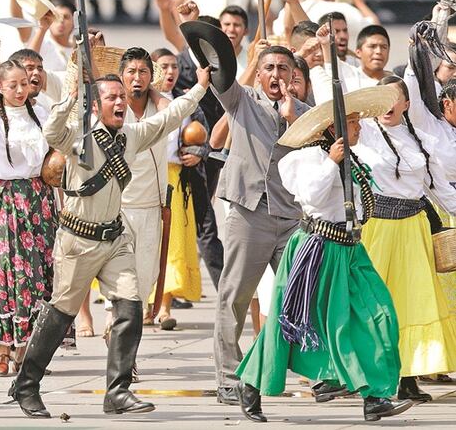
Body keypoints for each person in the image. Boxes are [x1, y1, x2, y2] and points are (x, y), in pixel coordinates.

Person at [10, 62, 210, 418]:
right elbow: (53, 132)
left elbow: (168, 119)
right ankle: (26, 385)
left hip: (114, 239)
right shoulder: (80, 137)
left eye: (122, 97)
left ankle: (118, 391)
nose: (120, 102)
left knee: (130, 308)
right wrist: (72, 98)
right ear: (96, 104)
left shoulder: (130, 135)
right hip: (78, 240)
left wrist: (199, 88)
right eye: (111, 97)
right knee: (60, 315)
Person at [236, 87, 413, 423]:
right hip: (316, 252)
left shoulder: (354, 159)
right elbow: (311, 198)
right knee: (288, 323)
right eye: (352, 122)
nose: (359, 126)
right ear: (334, 128)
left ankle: (375, 395)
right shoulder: (306, 159)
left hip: (350, 251)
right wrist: (332, 162)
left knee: (378, 315)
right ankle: (250, 384)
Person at [208, 43, 310, 405]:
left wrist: (293, 118)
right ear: (260, 73)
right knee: (234, 296)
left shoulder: (306, 114)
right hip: (249, 211)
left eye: (283, 68)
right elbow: (221, 76)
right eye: (270, 68)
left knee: (302, 296)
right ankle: (228, 377)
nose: (276, 75)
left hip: (291, 216)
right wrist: (251, 59)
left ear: (294, 76)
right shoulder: (243, 100)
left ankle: (318, 374)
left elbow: (319, 156)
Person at [354, 76, 456, 401]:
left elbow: (440, 189)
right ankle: (371, 377)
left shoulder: (420, 140)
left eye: (394, 97)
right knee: (373, 303)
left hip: (414, 228)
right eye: (381, 97)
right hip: (376, 227)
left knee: (413, 303)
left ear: (406, 104)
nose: (387, 104)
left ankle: (409, 377)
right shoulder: (362, 132)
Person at [0, 59, 56, 375]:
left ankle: (25, 350)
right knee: (4, 273)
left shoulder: (42, 113)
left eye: (24, 83)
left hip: (38, 200)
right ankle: (1, 348)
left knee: (34, 274)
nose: (20, 90)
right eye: (13, 85)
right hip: (5, 201)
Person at [115, 49, 174, 329]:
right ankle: (116, 325)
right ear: (121, 76)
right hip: (119, 205)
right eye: (131, 72)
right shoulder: (114, 107)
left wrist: (152, 92)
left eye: (143, 72)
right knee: (119, 273)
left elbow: (172, 113)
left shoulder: (159, 106)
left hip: (151, 205)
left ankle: (129, 328)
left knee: (146, 275)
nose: (137, 78)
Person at [156, 48, 206, 327]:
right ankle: (144, 306)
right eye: (164, 66)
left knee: (172, 243)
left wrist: (198, 152)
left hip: (175, 179)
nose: (171, 72)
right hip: (145, 178)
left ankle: (164, 307)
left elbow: (203, 137)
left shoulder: (186, 101)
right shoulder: (138, 101)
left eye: (174, 66)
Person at [25, 0, 77, 73]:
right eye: (57, 17)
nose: (61, 21)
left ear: (74, 21)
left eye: (66, 17)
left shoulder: (79, 48)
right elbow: (27, 63)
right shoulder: (42, 43)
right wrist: (42, 28)